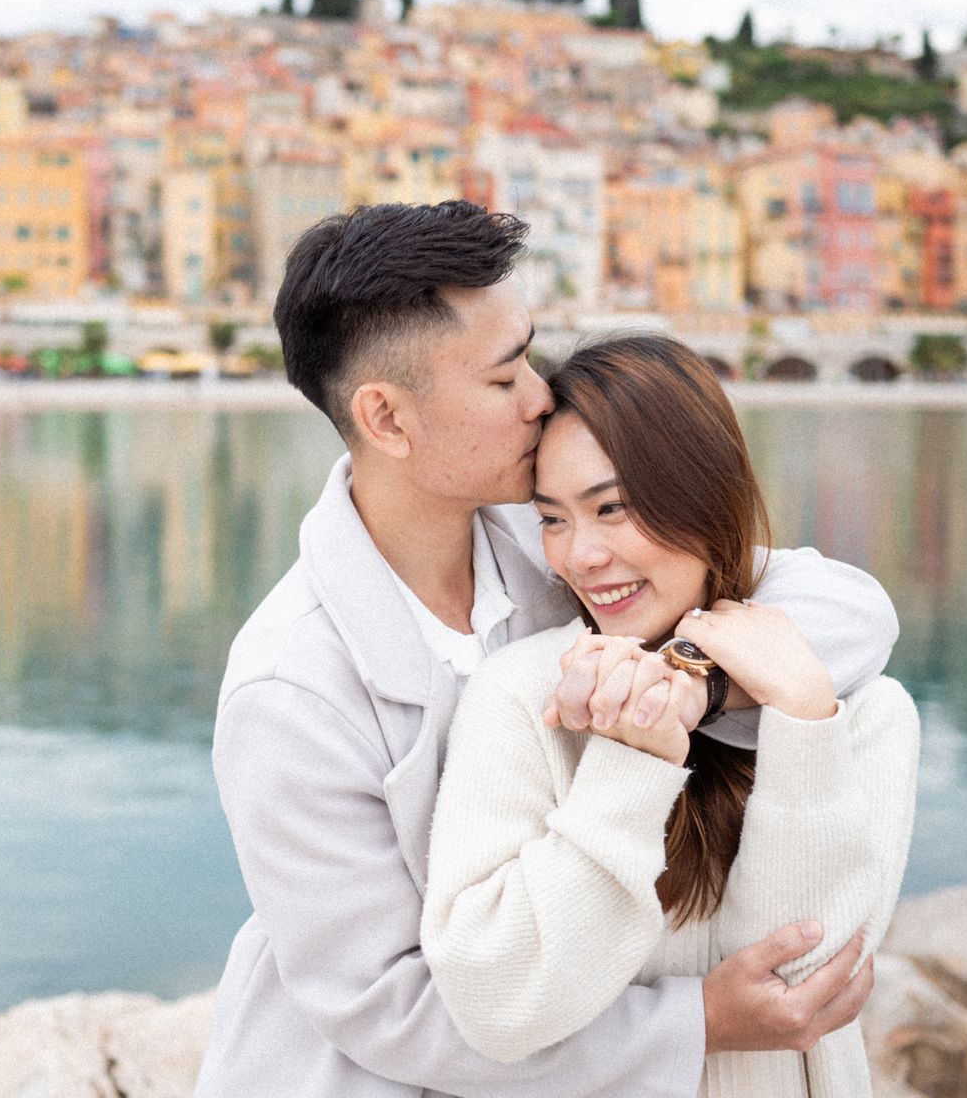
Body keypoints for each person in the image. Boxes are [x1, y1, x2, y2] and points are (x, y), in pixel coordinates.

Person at [196, 202, 898, 1098]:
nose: (540, 395)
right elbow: (387, 1005)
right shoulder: (290, 689)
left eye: (529, 353)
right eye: (503, 377)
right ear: (387, 417)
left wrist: (690, 683)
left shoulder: (560, 542)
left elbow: (842, 607)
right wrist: (702, 1021)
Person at [420, 334, 921, 1096]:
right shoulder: (526, 698)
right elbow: (497, 1005)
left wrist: (803, 722)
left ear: (704, 492)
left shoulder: (862, 711)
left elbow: (803, 984)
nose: (580, 556)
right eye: (553, 519)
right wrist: (633, 757)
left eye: (613, 507)